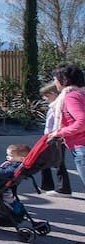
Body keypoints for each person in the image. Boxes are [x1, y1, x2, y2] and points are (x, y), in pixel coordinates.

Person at [47, 64, 85, 193]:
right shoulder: (81, 94)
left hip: (81, 146)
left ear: (64, 80)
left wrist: (60, 132)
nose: (54, 82)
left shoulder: (71, 97)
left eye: (55, 79)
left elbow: (82, 122)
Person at [38, 82, 71, 194]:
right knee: (46, 161)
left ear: (53, 94)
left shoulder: (58, 106)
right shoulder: (53, 106)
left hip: (56, 136)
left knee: (57, 162)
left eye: (46, 96)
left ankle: (63, 188)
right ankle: (47, 186)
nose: (44, 98)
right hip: (50, 136)